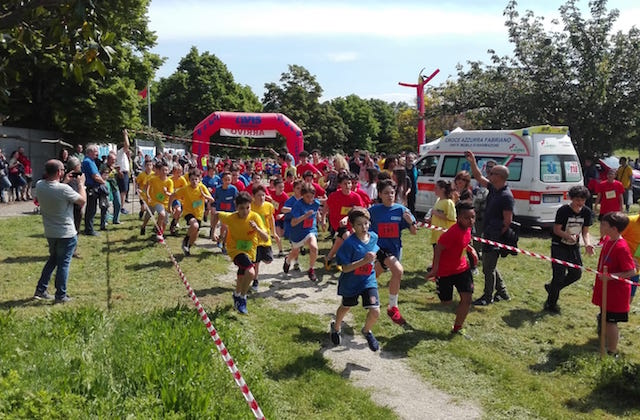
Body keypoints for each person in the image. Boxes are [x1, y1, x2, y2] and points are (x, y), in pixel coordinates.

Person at [33, 159, 87, 303]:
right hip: (66, 233)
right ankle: (61, 295)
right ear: (58, 172)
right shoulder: (64, 189)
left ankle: (41, 289)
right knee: (63, 264)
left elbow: (54, 189)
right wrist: (81, 184)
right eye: (62, 170)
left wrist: (63, 181)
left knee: (53, 260)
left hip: (50, 232)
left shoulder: (39, 185)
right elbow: (82, 201)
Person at [465, 150, 513, 306]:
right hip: (488, 233)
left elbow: (507, 220)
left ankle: (487, 297)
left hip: (495, 236)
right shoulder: (493, 188)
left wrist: (497, 238)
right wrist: (472, 162)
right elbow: (478, 177)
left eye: (492, 173)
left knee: (487, 268)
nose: (489, 174)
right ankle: (503, 292)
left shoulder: (506, 196)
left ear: (499, 177)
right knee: (489, 265)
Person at [329, 206, 381, 352]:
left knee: (375, 311)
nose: (364, 227)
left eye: (366, 223)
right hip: (351, 282)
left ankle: (366, 331)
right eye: (359, 224)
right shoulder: (348, 244)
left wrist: (374, 257)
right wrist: (364, 261)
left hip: (368, 280)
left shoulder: (374, 237)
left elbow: (375, 248)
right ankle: (336, 327)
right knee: (346, 307)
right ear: (352, 226)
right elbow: (344, 268)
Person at [369, 179, 417, 325]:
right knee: (398, 271)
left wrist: (411, 222)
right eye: (386, 193)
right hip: (380, 249)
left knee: (372, 276)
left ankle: (360, 289)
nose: (390, 195)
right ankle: (393, 307)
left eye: (392, 192)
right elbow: (360, 218)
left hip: (394, 250)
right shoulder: (374, 210)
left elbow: (414, 232)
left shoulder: (401, 210)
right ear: (380, 195)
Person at [425, 201, 477, 335]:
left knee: (467, 299)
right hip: (446, 272)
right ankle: (451, 302)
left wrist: (470, 250)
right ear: (458, 218)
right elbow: (438, 248)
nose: (471, 221)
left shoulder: (468, 229)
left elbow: (463, 242)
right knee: (446, 303)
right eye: (467, 218)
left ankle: (457, 328)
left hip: (462, 269)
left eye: (473, 217)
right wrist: (435, 269)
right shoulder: (452, 233)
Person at [213, 191, 269, 314]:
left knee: (242, 274)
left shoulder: (255, 217)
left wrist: (257, 229)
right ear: (236, 207)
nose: (245, 211)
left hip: (250, 250)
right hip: (235, 249)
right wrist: (213, 232)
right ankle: (242, 298)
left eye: (247, 208)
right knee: (250, 271)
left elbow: (265, 238)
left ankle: (236, 294)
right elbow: (216, 214)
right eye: (241, 208)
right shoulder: (231, 217)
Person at [591, 212, 636, 356]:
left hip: (616, 293)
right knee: (605, 317)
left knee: (611, 322)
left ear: (614, 228)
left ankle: (612, 350)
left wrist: (612, 276)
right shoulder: (608, 241)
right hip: (606, 290)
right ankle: (605, 342)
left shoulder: (621, 247)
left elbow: (631, 271)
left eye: (604, 224)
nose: (601, 226)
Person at [543, 185, 595, 313]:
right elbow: (556, 229)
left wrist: (587, 244)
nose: (580, 203)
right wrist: (567, 236)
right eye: (577, 200)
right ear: (571, 199)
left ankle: (552, 288)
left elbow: (585, 232)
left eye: (583, 200)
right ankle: (551, 304)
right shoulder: (563, 211)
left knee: (576, 273)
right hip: (559, 245)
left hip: (573, 246)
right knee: (558, 275)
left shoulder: (586, 212)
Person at [324, 172, 365, 270]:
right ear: (340, 185)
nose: (348, 186)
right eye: (345, 183)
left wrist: (348, 218)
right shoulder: (334, 195)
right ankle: (350, 262)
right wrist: (323, 219)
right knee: (348, 239)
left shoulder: (356, 197)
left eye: (349, 183)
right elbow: (326, 206)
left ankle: (329, 258)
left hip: (350, 223)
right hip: (337, 223)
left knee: (339, 241)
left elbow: (360, 210)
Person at [169, 167, 213, 256]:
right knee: (194, 225)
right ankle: (185, 240)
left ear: (199, 179)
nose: (194, 181)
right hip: (188, 212)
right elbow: (172, 196)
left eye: (196, 179)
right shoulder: (185, 189)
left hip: (199, 214)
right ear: (189, 180)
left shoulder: (202, 187)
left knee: (195, 235)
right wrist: (169, 206)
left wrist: (205, 195)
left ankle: (188, 247)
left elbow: (212, 199)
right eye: (192, 179)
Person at [284, 182, 321, 281]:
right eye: (307, 197)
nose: (310, 199)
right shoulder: (298, 205)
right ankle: (287, 260)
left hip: (310, 230)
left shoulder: (315, 203)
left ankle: (311, 269)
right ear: (302, 195)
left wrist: (320, 218)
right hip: (298, 232)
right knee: (295, 252)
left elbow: (316, 210)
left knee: (314, 247)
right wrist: (305, 216)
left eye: (312, 196)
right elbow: (293, 223)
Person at [251, 184, 277, 291]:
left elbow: (271, 219)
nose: (261, 198)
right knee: (256, 262)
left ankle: (256, 261)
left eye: (263, 195)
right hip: (254, 238)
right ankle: (255, 280)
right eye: (258, 195)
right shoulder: (250, 206)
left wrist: (274, 232)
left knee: (268, 260)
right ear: (253, 197)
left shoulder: (269, 206)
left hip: (265, 237)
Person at [142, 159, 173, 241]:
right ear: (160, 171)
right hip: (155, 201)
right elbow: (146, 186)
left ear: (168, 171)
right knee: (156, 214)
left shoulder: (169, 182)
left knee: (165, 221)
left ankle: (159, 233)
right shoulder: (153, 179)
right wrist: (146, 194)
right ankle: (144, 227)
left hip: (165, 203)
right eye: (163, 170)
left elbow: (171, 194)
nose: (164, 172)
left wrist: (166, 193)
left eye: (166, 170)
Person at [81, 144, 107, 236]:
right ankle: (89, 230)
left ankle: (89, 228)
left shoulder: (91, 161)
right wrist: (103, 182)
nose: (98, 153)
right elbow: (95, 176)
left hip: (93, 187)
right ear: (90, 152)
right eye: (96, 151)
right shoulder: (88, 161)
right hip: (92, 188)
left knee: (92, 209)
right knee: (91, 209)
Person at [98, 152, 121, 229]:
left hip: (115, 187)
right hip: (107, 187)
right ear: (108, 159)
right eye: (112, 159)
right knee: (106, 204)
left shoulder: (115, 166)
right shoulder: (103, 166)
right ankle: (105, 221)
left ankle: (116, 219)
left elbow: (120, 177)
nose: (114, 161)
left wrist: (119, 171)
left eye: (115, 159)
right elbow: (100, 175)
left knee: (118, 203)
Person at [621, 214, 640, 302]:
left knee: (628, 300)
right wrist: (628, 258)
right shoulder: (629, 221)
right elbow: (613, 238)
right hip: (620, 265)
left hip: (636, 270)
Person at [117, 129, 132, 210]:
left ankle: (121, 207)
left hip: (125, 173)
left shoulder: (123, 155)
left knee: (124, 191)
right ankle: (121, 207)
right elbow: (127, 145)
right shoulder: (120, 152)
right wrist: (125, 135)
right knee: (123, 192)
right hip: (123, 173)